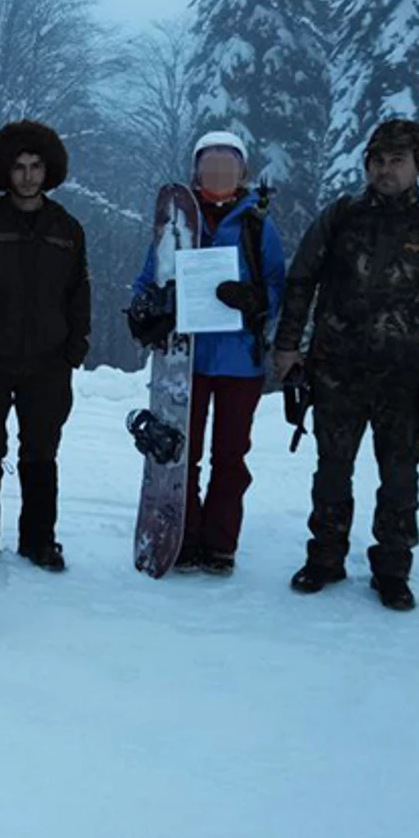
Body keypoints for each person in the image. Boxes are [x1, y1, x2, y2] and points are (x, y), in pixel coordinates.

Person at [272, 119, 419, 610]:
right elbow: (302, 280)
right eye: (377, 161)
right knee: (331, 471)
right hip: (336, 370)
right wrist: (287, 348)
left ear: (417, 167)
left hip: (403, 379)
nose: (385, 170)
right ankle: (324, 556)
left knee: (400, 477)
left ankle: (392, 568)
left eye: (397, 161)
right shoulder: (340, 216)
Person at [127, 131, 287, 576]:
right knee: (181, 455)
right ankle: (185, 536)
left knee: (231, 457)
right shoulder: (178, 220)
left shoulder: (256, 225)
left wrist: (254, 300)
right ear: (196, 171)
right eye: (210, 165)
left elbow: (277, 283)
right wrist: (144, 312)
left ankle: (220, 544)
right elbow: (149, 278)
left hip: (240, 360)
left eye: (228, 166)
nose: (218, 173)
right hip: (187, 360)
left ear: (242, 173)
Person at [0, 120, 92, 571]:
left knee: (41, 452)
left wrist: (75, 347)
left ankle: (39, 540)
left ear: (50, 170)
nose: (27, 176)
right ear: (3, 172)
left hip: (48, 362)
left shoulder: (67, 228)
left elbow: (79, 292)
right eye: (19, 167)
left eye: (35, 166)